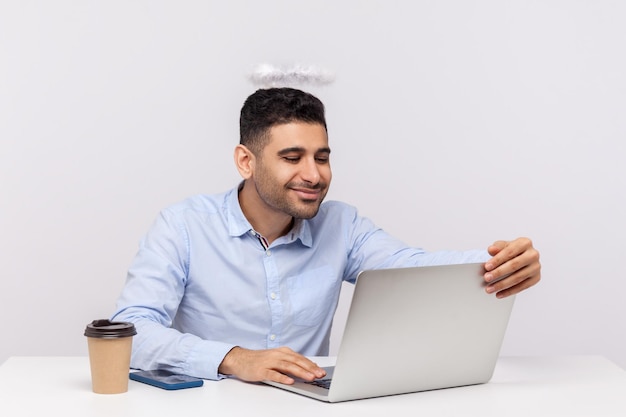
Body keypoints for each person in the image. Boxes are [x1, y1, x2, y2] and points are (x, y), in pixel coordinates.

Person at [112, 87, 541, 385]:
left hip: (310, 402)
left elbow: (410, 267)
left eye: (322, 157)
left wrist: (500, 265)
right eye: (291, 157)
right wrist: (234, 359)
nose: (314, 175)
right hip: (214, 402)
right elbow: (131, 331)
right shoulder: (183, 226)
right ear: (246, 161)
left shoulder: (342, 224)